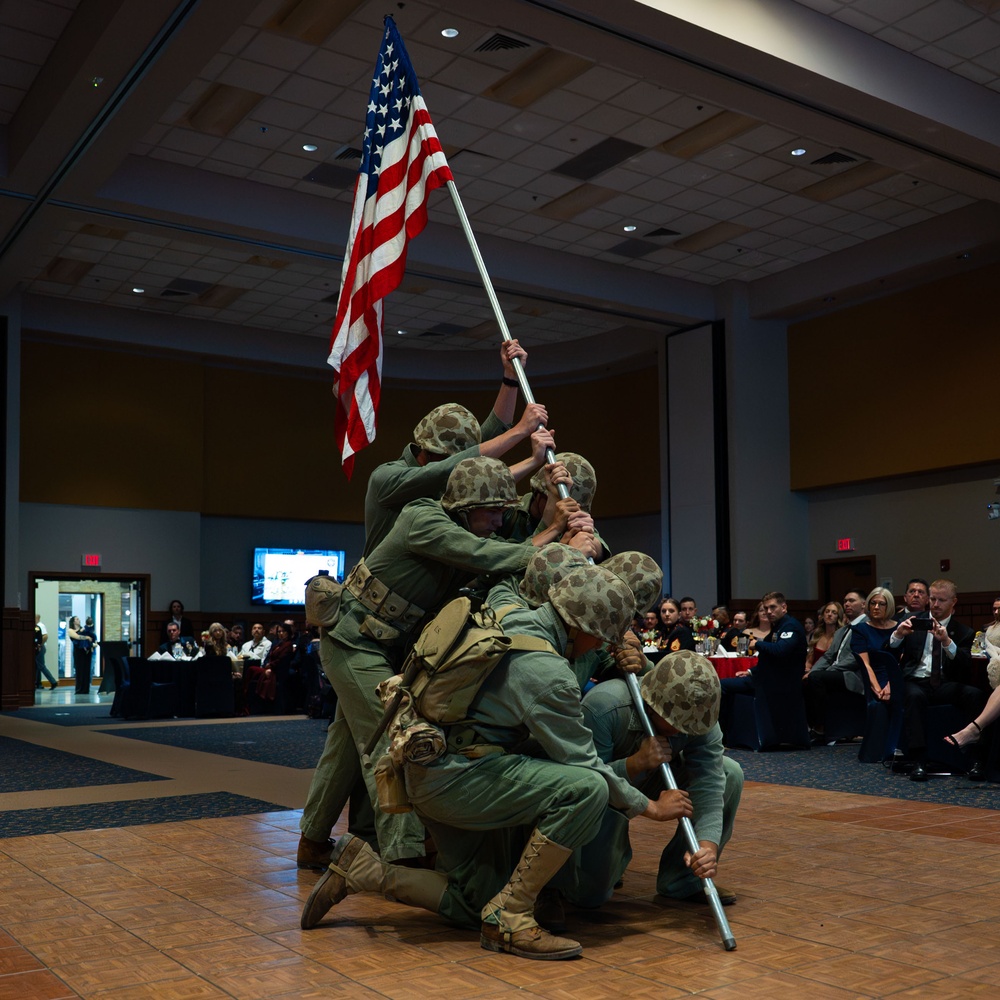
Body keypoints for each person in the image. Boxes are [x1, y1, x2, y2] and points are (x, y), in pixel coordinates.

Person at [300, 564, 688, 961]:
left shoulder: (508, 613)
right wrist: (652, 807)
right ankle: (513, 915)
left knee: (472, 905)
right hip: (457, 780)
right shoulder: (548, 673)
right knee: (585, 789)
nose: (599, 649)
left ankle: (362, 870)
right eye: (601, 639)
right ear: (582, 628)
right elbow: (586, 763)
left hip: (426, 768)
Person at [296, 457, 591, 871]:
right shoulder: (424, 519)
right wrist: (556, 534)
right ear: (466, 507)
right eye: (492, 512)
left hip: (385, 645)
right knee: (394, 736)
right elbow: (486, 555)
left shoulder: (459, 523)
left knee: (347, 745)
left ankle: (311, 840)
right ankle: (405, 857)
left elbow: (489, 549)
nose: (499, 521)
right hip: (355, 641)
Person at [363, 339, 552, 558]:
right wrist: (522, 434)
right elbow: (449, 469)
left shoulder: (443, 465)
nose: (461, 469)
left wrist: (510, 378)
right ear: (427, 452)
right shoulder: (387, 478)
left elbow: (493, 432)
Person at [581, 650, 743, 905]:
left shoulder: (700, 716)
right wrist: (635, 764)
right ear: (652, 702)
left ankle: (682, 880)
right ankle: (588, 875)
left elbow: (709, 782)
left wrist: (707, 846)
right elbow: (586, 783)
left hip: (655, 776)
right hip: (610, 785)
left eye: (690, 726)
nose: (682, 731)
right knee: (589, 896)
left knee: (729, 771)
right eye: (674, 722)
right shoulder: (604, 707)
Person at [888, 578, 985, 781]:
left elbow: (965, 665)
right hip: (916, 680)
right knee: (914, 697)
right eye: (932, 599)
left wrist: (947, 642)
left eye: (941, 600)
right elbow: (887, 654)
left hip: (943, 683)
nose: (935, 604)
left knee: (975, 695)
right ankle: (918, 759)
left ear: (953, 602)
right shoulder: (913, 622)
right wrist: (897, 635)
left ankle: (976, 758)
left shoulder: (963, 632)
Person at [720, 592, 807, 722]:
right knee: (724, 685)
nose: (768, 611)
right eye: (766, 608)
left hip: (779, 682)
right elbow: (770, 659)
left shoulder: (790, 626)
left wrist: (757, 644)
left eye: (773, 607)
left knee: (721, 685)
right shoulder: (778, 626)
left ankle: (722, 735)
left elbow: (780, 650)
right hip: (768, 678)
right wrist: (750, 671)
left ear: (784, 607)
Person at [802, 590, 867, 733]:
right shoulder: (842, 630)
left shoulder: (866, 626)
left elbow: (855, 658)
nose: (847, 604)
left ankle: (820, 727)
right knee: (807, 678)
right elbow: (827, 656)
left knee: (817, 678)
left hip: (853, 675)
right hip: (836, 673)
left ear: (863, 604)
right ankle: (809, 726)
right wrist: (813, 671)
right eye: (845, 601)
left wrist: (825, 671)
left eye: (851, 601)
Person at [806, 602, 845, 672]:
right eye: (827, 611)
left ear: (838, 617)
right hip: (813, 674)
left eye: (834, 612)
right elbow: (809, 660)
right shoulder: (817, 634)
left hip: (831, 675)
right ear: (823, 615)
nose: (829, 614)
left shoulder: (841, 636)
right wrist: (807, 669)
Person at [67, 616, 95, 694]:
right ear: (73, 622)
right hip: (78, 652)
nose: (79, 620)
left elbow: (91, 634)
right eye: (77, 619)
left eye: (79, 619)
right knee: (79, 670)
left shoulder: (83, 629)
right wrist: (87, 637)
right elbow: (77, 637)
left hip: (86, 651)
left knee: (86, 670)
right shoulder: (70, 630)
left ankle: (86, 689)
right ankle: (79, 689)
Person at [34, 615, 59, 690]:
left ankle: (53, 682)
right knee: (37, 666)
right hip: (39, 647)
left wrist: (39, 644)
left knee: (41, 666)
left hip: (40, 648)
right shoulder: (37, 626)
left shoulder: (39, 626)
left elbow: (45, 636)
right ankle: (38, 683)